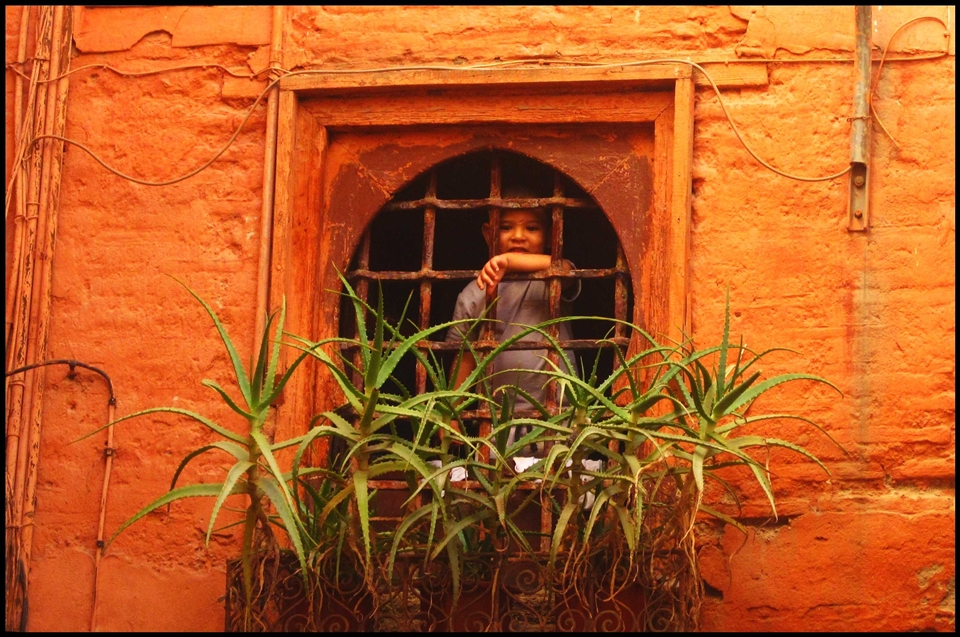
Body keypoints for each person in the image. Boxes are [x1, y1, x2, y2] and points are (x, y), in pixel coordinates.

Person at [445, 184, 580, 457]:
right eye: (506, 227)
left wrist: (508, 260)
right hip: (496, 421)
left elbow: (564, 268)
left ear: (551, 234)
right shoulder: (474, 293)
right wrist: (453, 411)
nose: (518, 236)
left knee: (557, 485)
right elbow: (465, 358)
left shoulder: (550, 282)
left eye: (532, 228)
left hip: (557, 415)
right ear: (488, 233)